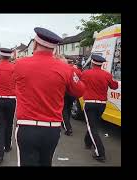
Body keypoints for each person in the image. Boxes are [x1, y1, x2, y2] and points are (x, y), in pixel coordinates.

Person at [13, 27, 86, 166]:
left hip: (27, 127)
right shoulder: (65, 68)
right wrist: (70, 71)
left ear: (35, 44)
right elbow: (80, 91)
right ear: (54, 49)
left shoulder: (20, 64)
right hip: (52, 129)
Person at [80, 54, 118, 162]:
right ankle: (87, 142)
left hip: (90, 103)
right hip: (102, 104)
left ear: (92, 62)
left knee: (92, 127)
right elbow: (114, 86)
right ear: (101, 64)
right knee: (93, 125)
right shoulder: (107, 75)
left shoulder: (86, 73)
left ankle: (100, 153)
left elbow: (79, 83)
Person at [0, 48, 16, 165]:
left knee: (0, 126)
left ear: (0, 56)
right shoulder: (14, 67)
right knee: (9, 123)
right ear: (10, 56)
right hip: (11, 99)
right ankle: (7, 146)